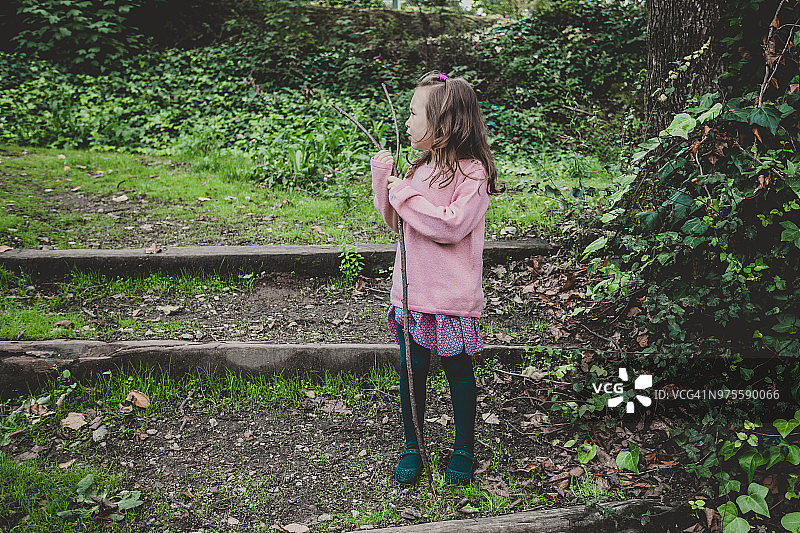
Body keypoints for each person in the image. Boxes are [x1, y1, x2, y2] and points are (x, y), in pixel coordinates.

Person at [370, 71, 503, 486]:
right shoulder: (419, 170)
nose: (407, 122)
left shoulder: (473, 175)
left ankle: (464, 448)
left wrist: (402, 193)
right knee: (412, 370)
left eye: (415, 114)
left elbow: (450, 226)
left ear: (443, 123)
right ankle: (413, 444)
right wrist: (384, 181)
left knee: (458, 371)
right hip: (411, 295)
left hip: (450, 299)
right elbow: (398, 222)